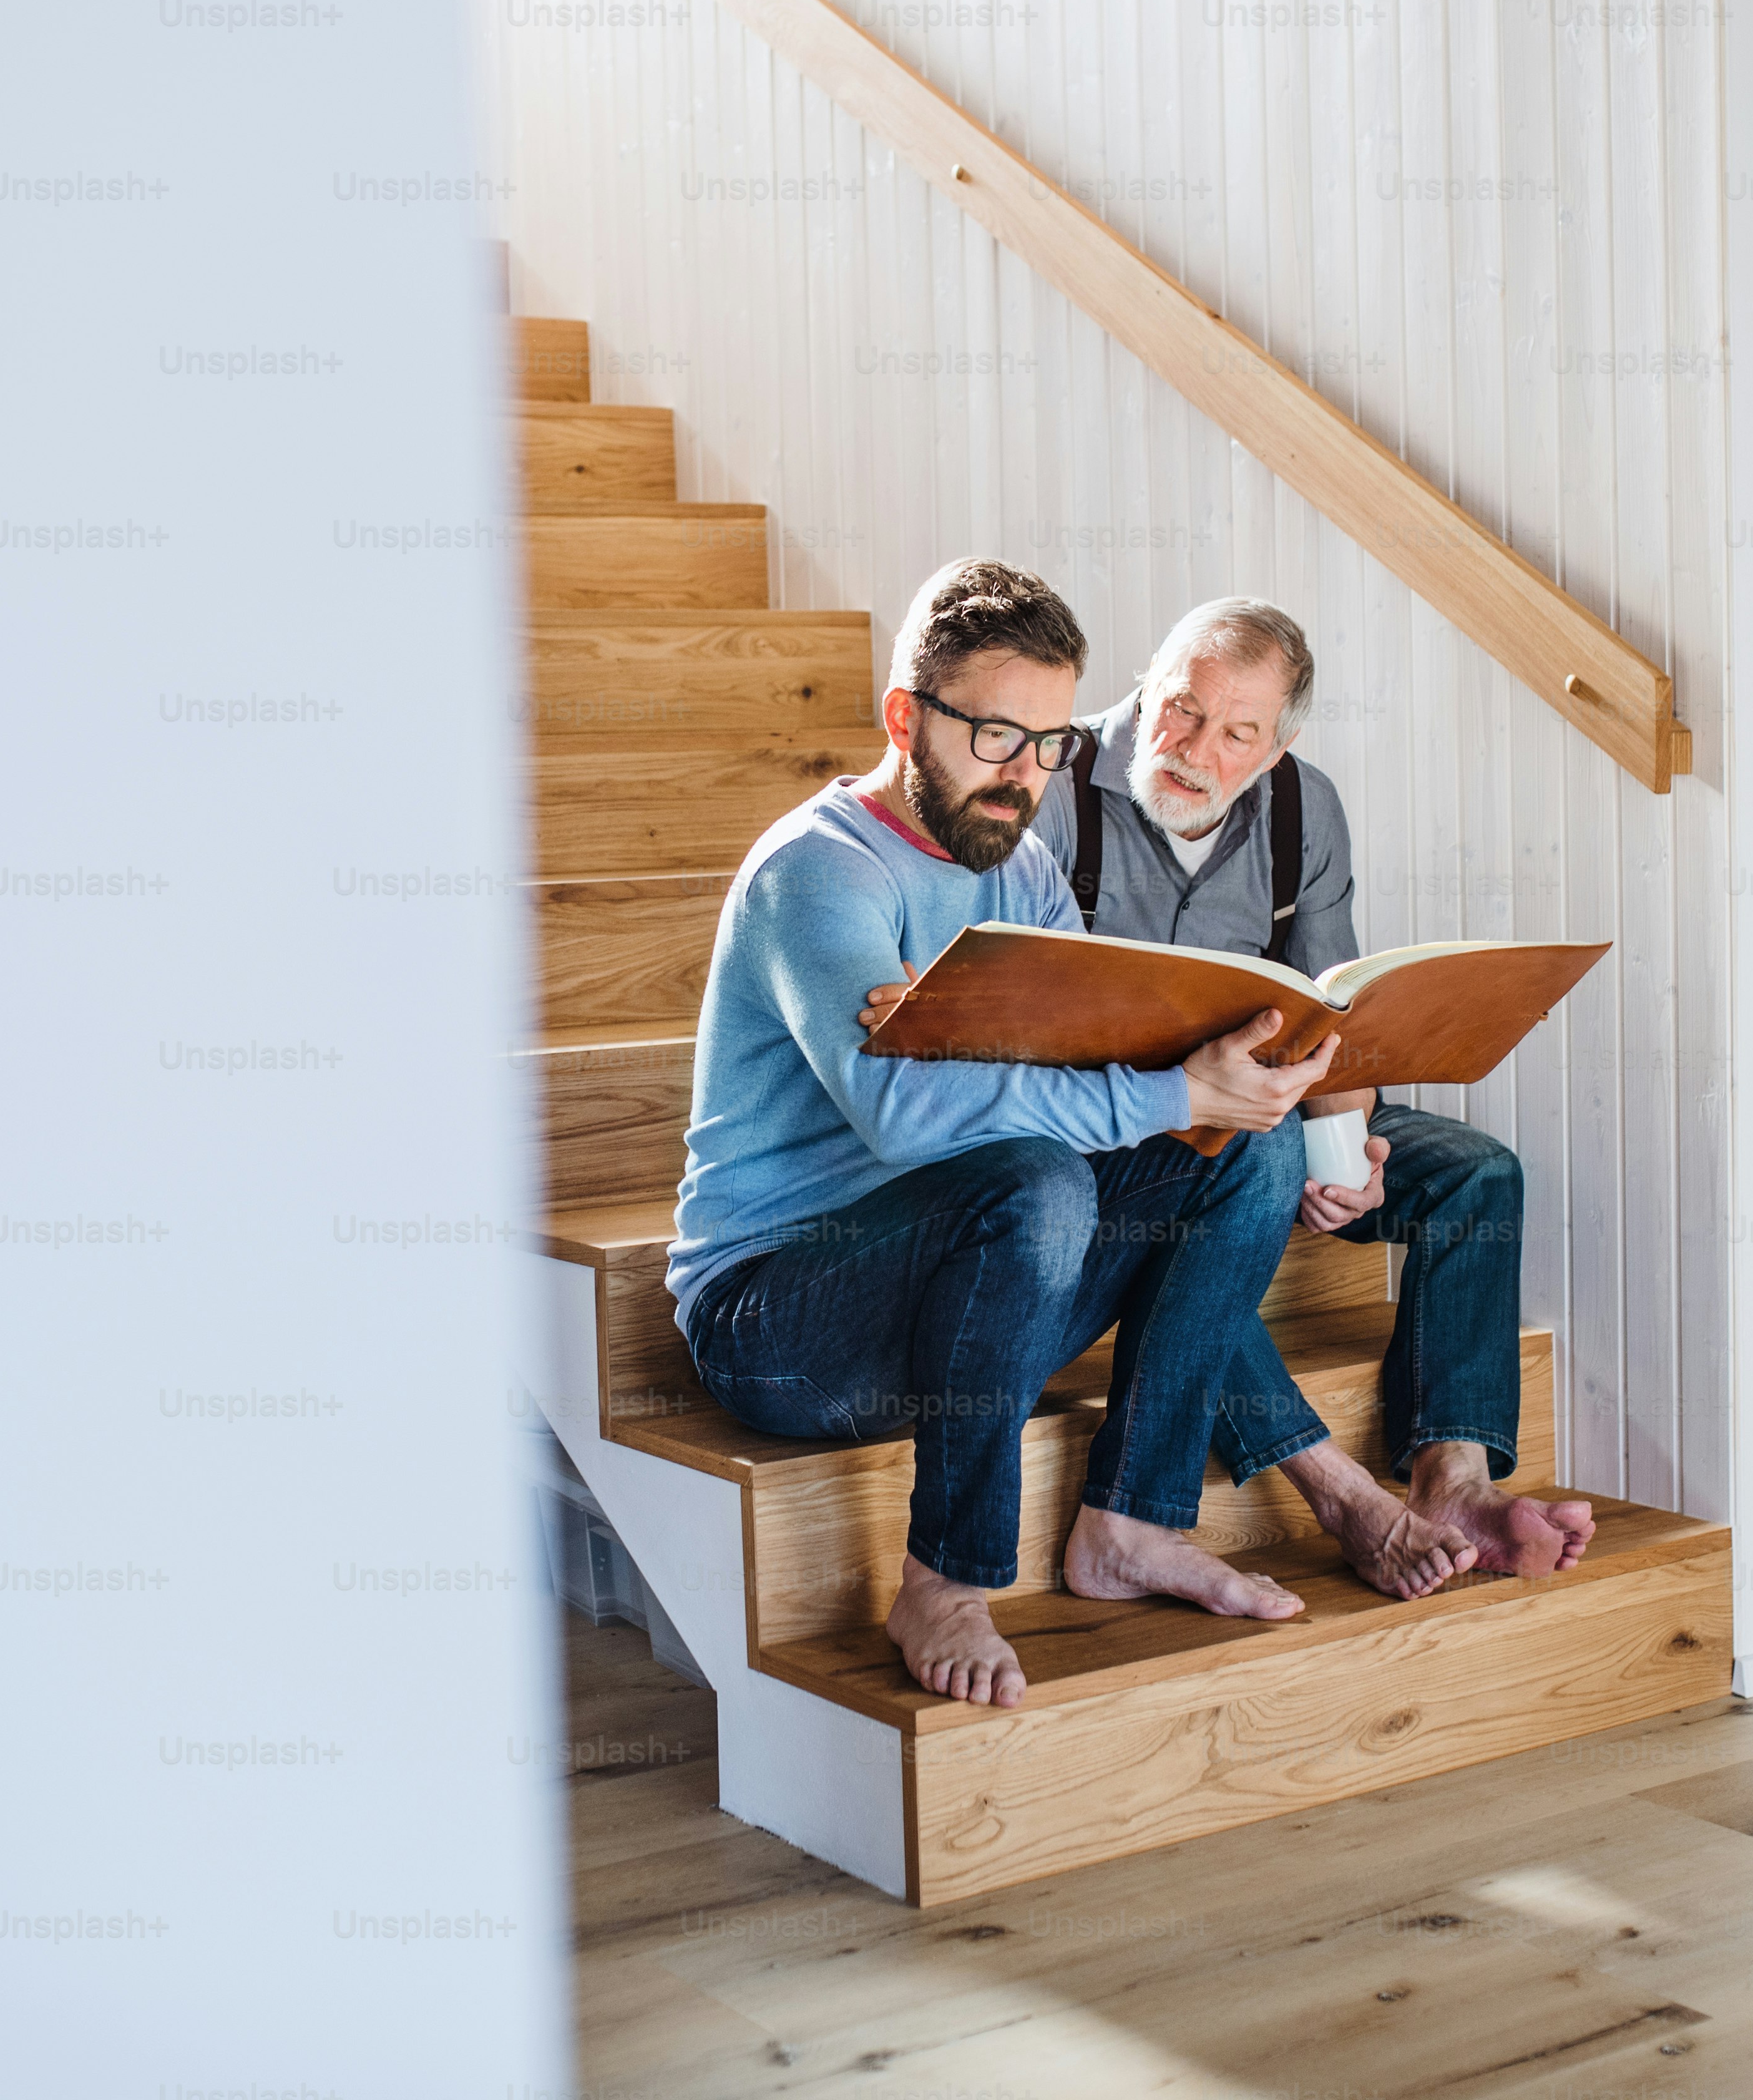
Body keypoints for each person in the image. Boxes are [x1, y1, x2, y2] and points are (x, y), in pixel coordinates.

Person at [670, 562, 1477, 1714]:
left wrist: (1208, 1093)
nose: (1025, 777)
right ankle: (944, 1582)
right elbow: (906, 1118)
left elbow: (1072, 1071)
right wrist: (1119, 1092)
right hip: (782, 1320)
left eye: (1051, 745)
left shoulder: (1025, 868)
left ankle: (1132, 1522)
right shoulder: (819, 874)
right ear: (906, 717)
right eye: (996, 735)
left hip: (963, 1303)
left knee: (1249, 1146)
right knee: (1039, 1177)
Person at [1008, 597, 1599, 1576]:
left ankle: (1452, 1476)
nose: (1196, 748)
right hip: (1115, 1137)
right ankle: (1335, 1490)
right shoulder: (1052, 785)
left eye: (1239, 733)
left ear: (1279, 745)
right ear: (1147, 686)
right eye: (1182, 711)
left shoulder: (1303, 807)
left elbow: (1336, 1010)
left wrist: (1347, 1159)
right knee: (1212, 1200)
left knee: (1475, 1177)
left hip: (1274, 1112)